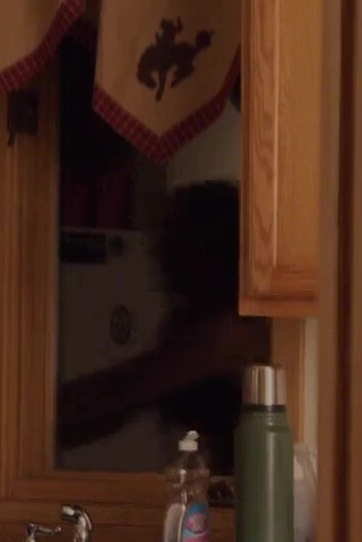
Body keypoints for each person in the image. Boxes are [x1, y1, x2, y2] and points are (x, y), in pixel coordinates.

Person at [53, 181, 270, 475]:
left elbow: (121, 392)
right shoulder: (192, 324)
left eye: (169, 243)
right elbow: (113, 406)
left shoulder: (225, 336)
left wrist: (29, 422)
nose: (157, 255)